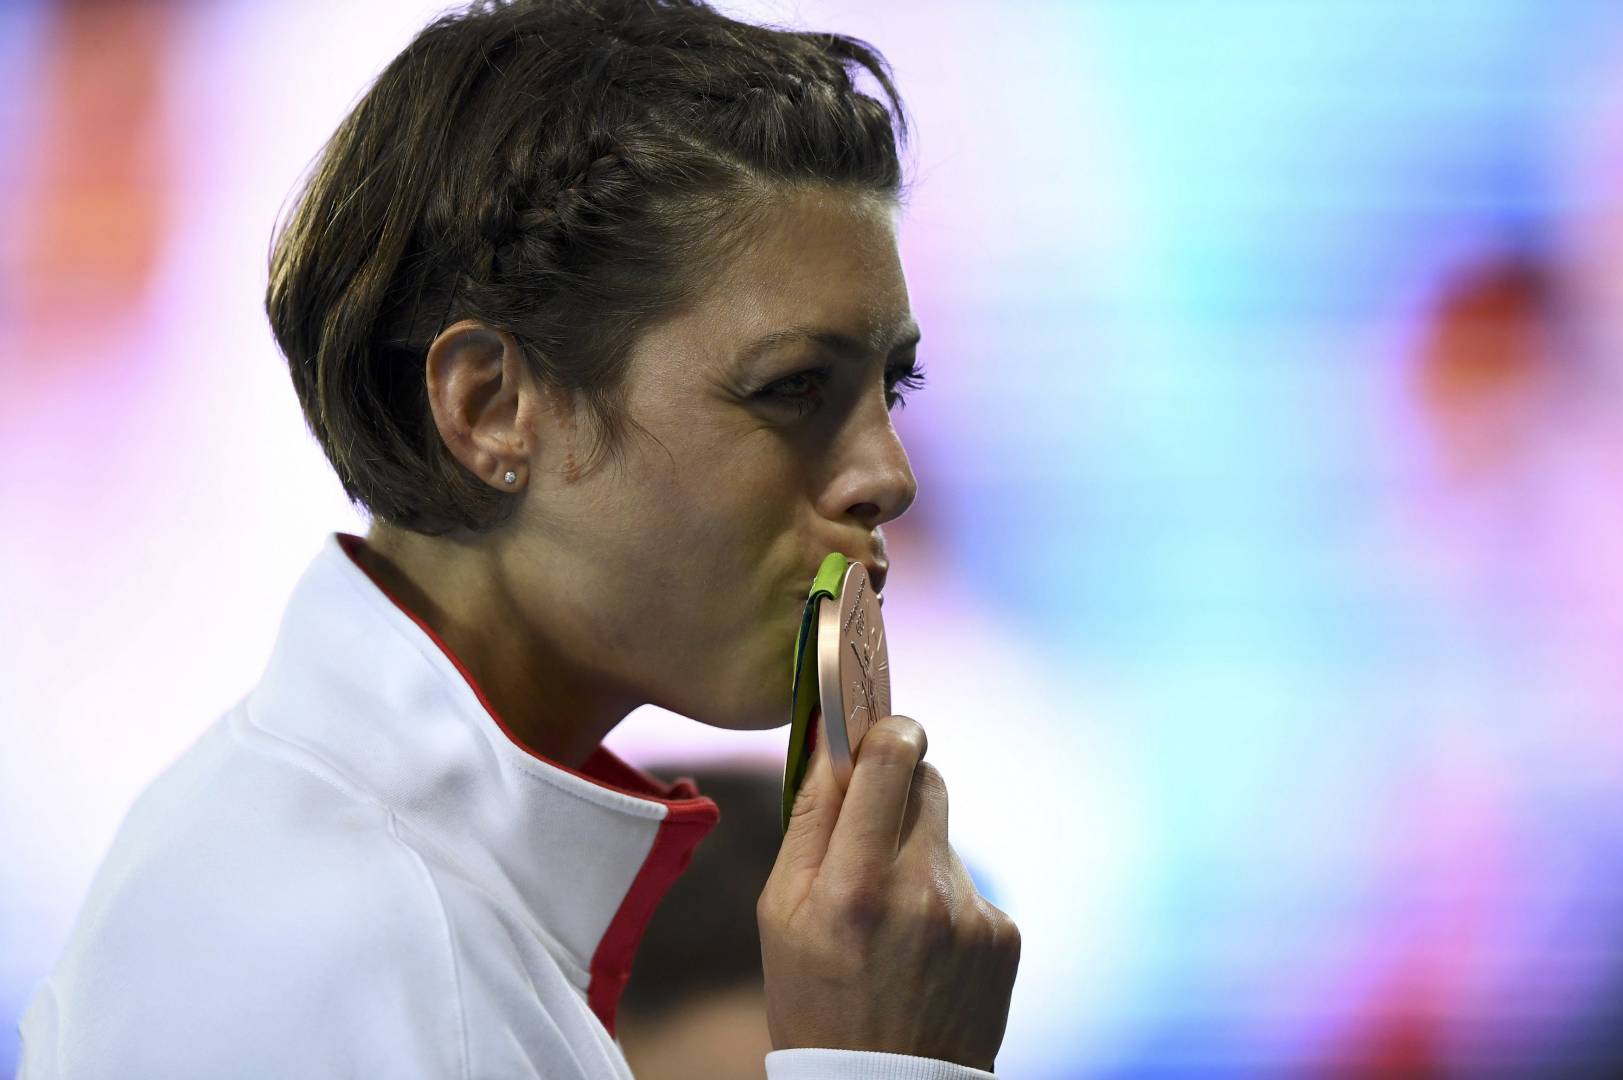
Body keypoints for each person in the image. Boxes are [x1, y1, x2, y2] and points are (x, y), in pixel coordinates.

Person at [16, 1, 1021, 1077]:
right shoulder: (324, 950)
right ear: (490, 407)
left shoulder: (375, 888)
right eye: (793, 388)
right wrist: (882, 1063)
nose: (888, 478)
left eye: (891, 388)